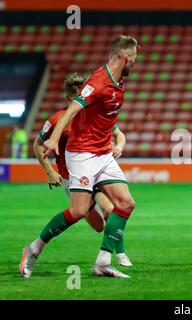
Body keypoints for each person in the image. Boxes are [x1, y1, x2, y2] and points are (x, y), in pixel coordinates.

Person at [20, 35, 139, 278]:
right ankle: (33, 249)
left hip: (103, 153)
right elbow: (73, 108)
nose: (134, 64)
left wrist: (117, 141)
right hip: (82, 154)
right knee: (78, 211)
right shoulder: (98, 82)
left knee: (126, 203)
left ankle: (103, 262)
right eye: (133, 59)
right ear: (124, 57)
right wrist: (53, 140)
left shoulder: (118, 82)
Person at [32, 72, 132, 267]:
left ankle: (119, 254)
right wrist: (50, 171)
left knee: (114, 208)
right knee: (95, 225)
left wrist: (119, 146)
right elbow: (37, 145)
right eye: (82, 92)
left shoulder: (94, 115)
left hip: (96, 171)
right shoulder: (57, 119)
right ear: (71, 96)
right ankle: (36, 246)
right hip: (73, 176)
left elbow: (119, 135)